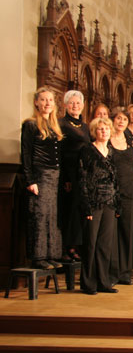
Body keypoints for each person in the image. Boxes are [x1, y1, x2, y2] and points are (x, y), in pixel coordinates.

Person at [21, 87, 64, 270]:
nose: (47, 103)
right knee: (39, 215)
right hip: (39, 175)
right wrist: (30, 180)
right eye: (44, 100)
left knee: (51, 216)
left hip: (54, 176)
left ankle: (51, 254)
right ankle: (38, 256)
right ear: (37, 103)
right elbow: (26, 153)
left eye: (50, 100)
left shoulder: (54, 126)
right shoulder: (30, 124)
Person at [78, 117, 120, 295]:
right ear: (95, 131)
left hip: (109, 202)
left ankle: (104, 281)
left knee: (105, 244)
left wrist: (117, 203)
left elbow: (115, 180)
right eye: (100, 129)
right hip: (93, 202)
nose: (104, 132)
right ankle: (88, 283)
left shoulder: (111, 151)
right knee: (90, 244)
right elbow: (82, 179)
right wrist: (86, 205)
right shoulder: (87, 150)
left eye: (106, 129)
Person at [109, 107, 133, 286]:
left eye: (124, 119)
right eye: (118, 119)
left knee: (126, 232)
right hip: (111, 191)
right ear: (112, 120)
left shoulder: (132, 142)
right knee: (111, 233)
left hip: (129, 190)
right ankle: (112, 272)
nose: (121, 122)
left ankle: (124, 272)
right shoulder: (106, 140)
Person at [58, 90, 90, 263]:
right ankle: (67, 247)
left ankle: (76, 245)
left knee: (78, 211)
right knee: (69, 210)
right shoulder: (61, 124)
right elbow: (60, 153)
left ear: (83, 106)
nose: (75, 106)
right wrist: (66, 179)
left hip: (82, 173)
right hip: (68, 173)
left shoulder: (85, 127)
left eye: (78, 103)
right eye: (71, 103)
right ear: (65, 105)